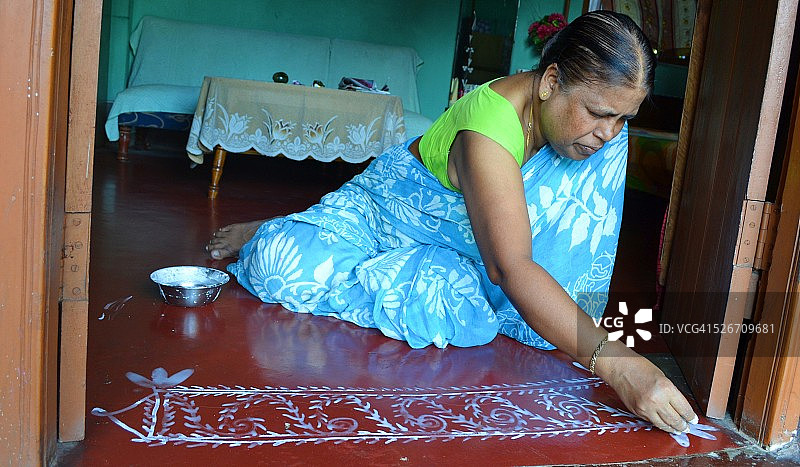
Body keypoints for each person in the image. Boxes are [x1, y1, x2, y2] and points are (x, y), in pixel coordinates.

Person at [206, 11, 698, 435]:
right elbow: (510, 267)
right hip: (389, 215)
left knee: (453, 313)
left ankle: (327, 233)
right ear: (550, 83)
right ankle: (280, 228)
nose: (608, 134)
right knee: (280, 266)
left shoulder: (595, 132)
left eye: (622, 118)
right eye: (598, 114)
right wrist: (619, 365)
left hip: (468, 244)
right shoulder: (486, 131)